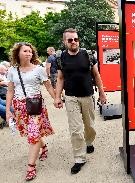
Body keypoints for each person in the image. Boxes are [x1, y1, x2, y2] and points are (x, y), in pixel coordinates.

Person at [54, 28, 107, 174]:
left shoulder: (88, 55)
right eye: (70, 40)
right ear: (64, 41)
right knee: (76, 129)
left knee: (90, 125)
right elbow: (60, 78)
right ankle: (79, 158)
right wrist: (57, 97)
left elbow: (96, 75)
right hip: (70, 97)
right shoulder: (60, 58)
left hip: (88, 96)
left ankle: (89, 142)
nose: (73, 42)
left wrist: (102, 94)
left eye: (75, 39)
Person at [6, 42, 56, 181]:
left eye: (30, 51)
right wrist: (8, 111)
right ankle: (44, 147)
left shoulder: (39, 69)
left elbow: (48, 86)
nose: (29, 53)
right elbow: (10, 91)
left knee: (33, 134)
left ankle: (31, 167)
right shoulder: (12, 71)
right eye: (25, 51)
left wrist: (56, 99)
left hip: (35, 106)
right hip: (19, 107)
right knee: (32, 133)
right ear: (18, 53)